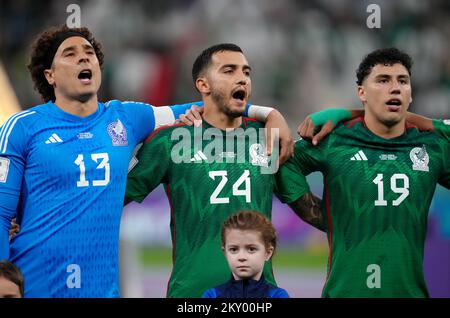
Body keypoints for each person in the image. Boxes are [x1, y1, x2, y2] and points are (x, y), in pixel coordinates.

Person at [0, 25, 286, 297]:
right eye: (70, 54)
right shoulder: (23, 127)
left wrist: (269, 113)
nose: (83, 57)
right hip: (34, 280)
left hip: (100, 288)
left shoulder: (127, 118)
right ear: (50, 75)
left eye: (88, 52)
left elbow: (211, 104)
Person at [125, 43, 321, 297]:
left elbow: (309, 210)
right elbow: (111, 198)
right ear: (203, 85)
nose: (242, 78)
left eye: (246, 72)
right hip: (192, 294)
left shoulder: (268, 138)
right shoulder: (169, 141)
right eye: (229, 70)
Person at [276, 48, 450, 297]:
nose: (395, 87)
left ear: (410, 94)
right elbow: (285, 161)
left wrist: (348, 112)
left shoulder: (433, 146)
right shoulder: (333, 139)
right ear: (361, 92)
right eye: (383, 80)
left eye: (403, 81)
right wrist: (319, 214)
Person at [202, 210, 289, 298]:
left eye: (251, 249)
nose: (242, 257)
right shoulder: (212, 295)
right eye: (234, 249)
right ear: (225, 252)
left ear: (268, 253)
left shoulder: (278, 295)